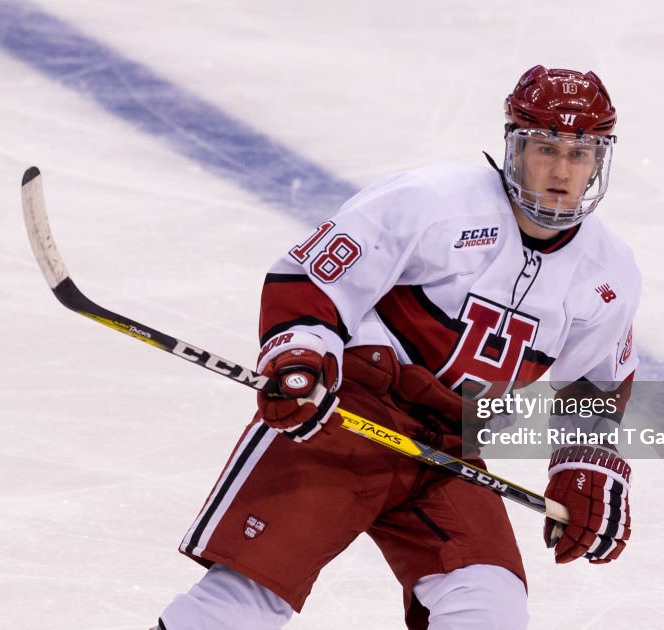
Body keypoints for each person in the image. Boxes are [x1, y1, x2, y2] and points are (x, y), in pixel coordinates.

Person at [155, 65, 639, 630]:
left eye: (578, 154)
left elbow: (595, 383)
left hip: (448, 452)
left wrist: (587, 465)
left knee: (491, 611)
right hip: (344, 419)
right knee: (246, 601)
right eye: (544, 147)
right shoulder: (431, 201)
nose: (560, 170)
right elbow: (315, 278)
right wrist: (299, 355)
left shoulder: (609, 273)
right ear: (514, 147)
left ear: (599, 162)